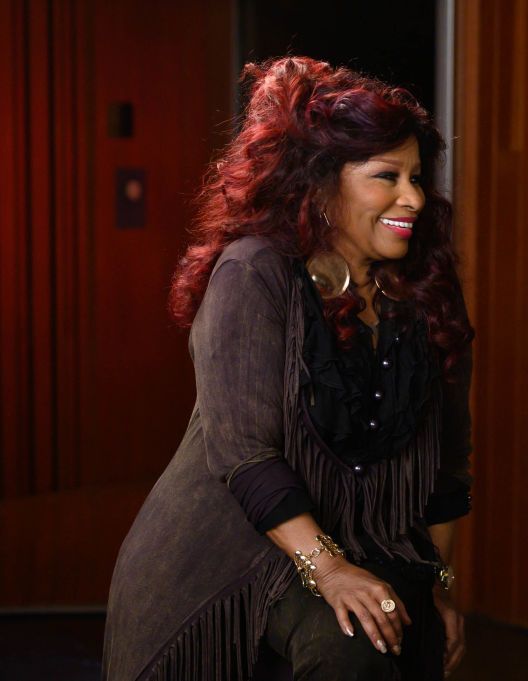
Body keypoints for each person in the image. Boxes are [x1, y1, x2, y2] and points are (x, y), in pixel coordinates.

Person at [102, 57, 474, 681]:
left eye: (416, 176)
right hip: (232, 554)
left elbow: (448, 461)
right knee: (349, 647)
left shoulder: (426, 289)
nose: (413, 196)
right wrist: (329, 570)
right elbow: (244, 452)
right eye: (387, 176)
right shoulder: (254, 272)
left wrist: (436, 588)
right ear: (320, 183)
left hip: (373, 547)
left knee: (399, 638)